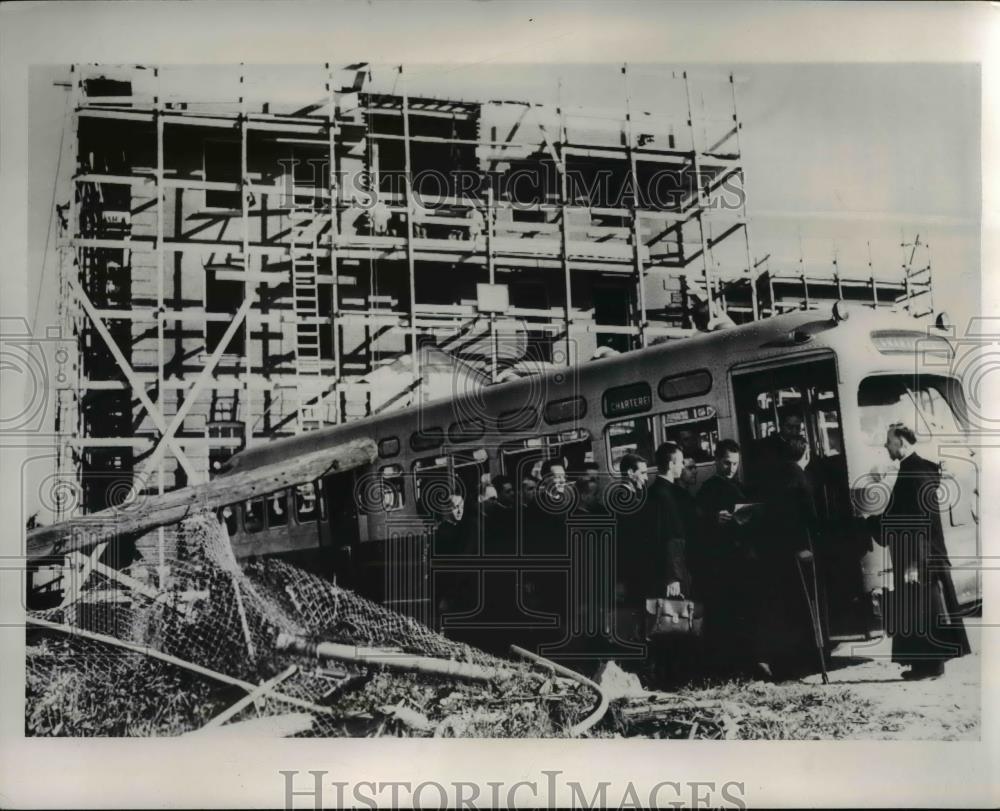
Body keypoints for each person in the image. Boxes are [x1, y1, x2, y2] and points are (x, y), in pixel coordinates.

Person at [870, 423, 971, 680]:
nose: (886, 445)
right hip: (917, 552)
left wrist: (916, 564)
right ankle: (922, 665)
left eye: (889, 440)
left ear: (901, 441)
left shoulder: (913, 474)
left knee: (924, 608)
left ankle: (932, 665)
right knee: (919, 608)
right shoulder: (915, 469)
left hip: (918, 555)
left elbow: (919, 521)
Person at [751, 435, 822, 681]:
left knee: (779, 607)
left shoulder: (774, 477)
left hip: (774, 553)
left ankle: (775, 661)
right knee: (798, 607)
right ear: (806, 453)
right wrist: (803, 546)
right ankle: (797, 664)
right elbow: (804, 520)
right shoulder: (799, 478)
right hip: (795, 553)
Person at [695, 439, 756, 675]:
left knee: (738, 614)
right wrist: (713, 519)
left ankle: (738, 665)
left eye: (735, 464)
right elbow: (695, 523)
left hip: (738, 561)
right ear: (716, 461)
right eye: (727, 463)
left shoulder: (739, 485)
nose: (731, 469)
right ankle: (727, 668)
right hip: (721, 564)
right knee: (725, 615)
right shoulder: (708, 489)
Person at [641, 442, 696, 685]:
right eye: (680, 462)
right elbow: (671, 539)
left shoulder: (655, 492)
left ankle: (665, 676)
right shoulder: (667, 495)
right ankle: (673, 679)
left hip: (659, 571)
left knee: (665, 624)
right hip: (671, 573)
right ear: (671, 464)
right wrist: (673, 577)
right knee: (674, 624)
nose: (682, 466)